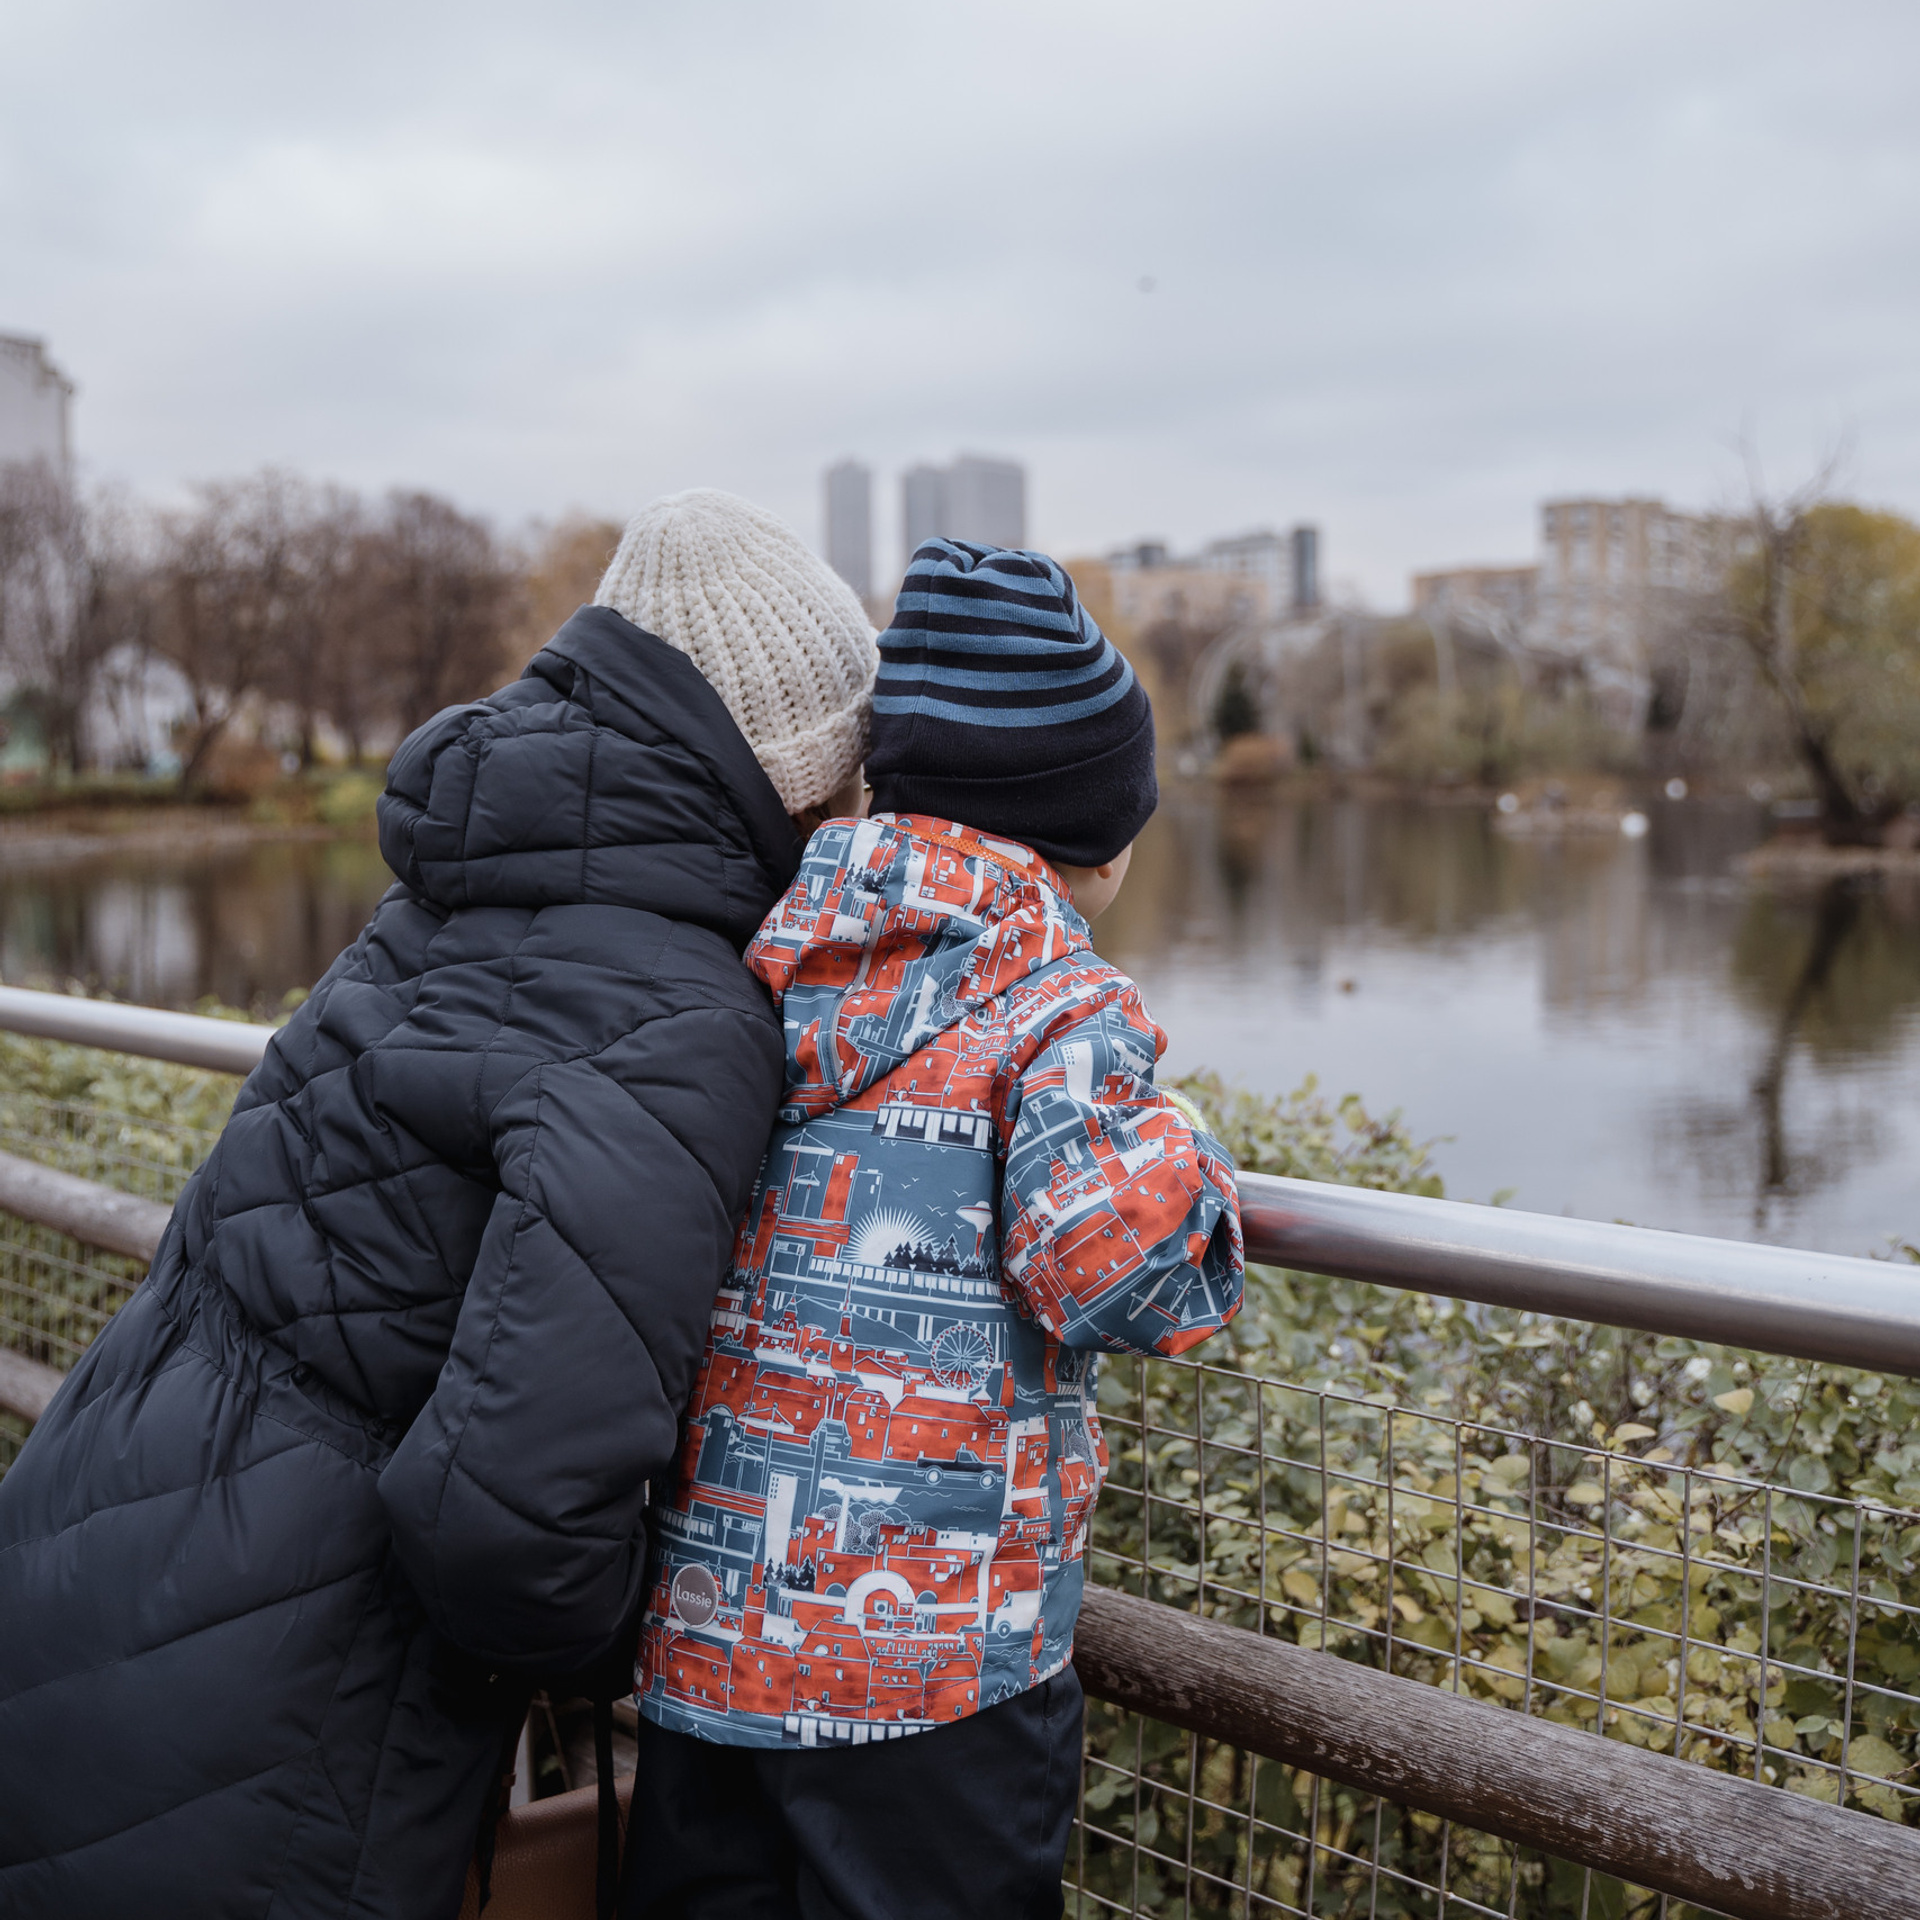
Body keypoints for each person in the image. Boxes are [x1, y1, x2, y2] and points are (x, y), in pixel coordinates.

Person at [0, 490, 876, 1920]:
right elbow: (511, 1527)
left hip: (93, 1551)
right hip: (286, 1714)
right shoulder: (682, 1014)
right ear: (797, 772)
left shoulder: (442, 902)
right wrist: (648, 1632)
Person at [622, 538, 1246, 1919]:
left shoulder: (768, 952)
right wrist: (1189, 1144)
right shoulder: (1060, 1004)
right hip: (936, 1676)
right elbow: (1121, 1272)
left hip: (712, 1641)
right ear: (1095, 829)